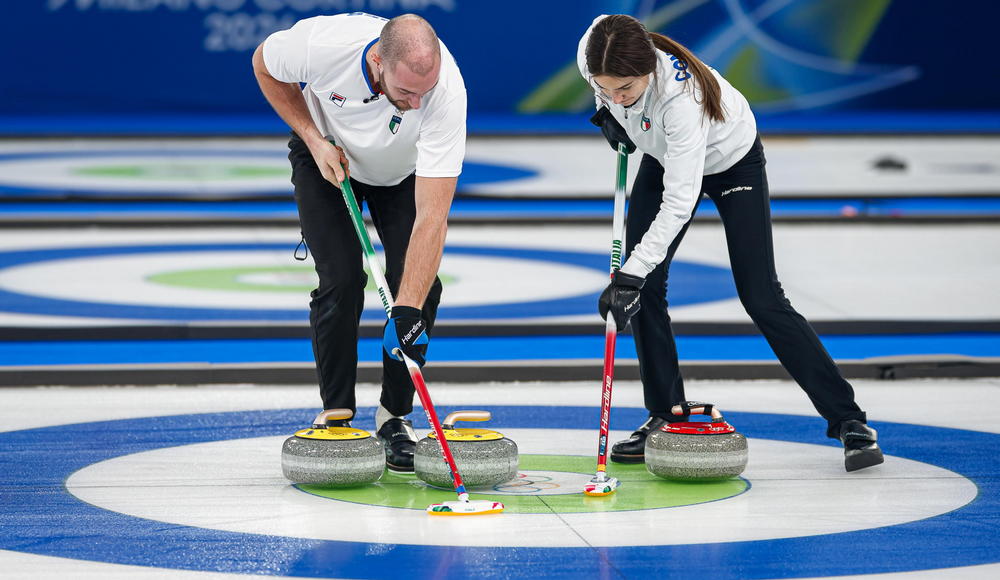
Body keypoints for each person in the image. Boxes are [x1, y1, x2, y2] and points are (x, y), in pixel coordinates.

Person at [578, 14, 883, 472]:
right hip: (666, 158)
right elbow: (604, 47)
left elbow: (679, 203)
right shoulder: (594, 50)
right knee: (645, 293)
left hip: (730, 161)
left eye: (626, 89)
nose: (616, 96)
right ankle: (666, 414)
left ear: (647, 72)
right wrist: (609, 112)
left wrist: (630, 272)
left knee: (761, 296)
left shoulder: (681, 101)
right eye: (606, 87)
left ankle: (848, 421)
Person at [252, 12, 466, 472]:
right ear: (377, 62)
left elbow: (433, 214)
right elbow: (264, 66)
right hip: (327, 157)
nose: (415, 103)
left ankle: (395, 415)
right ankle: (338, 414)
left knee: (419, 289)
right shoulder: (323, 45)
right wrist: (312, 137)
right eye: (406, 92)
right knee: (342, 279)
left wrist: (407, 312)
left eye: (423, 93)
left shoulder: (445, 92)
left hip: (403, 173)